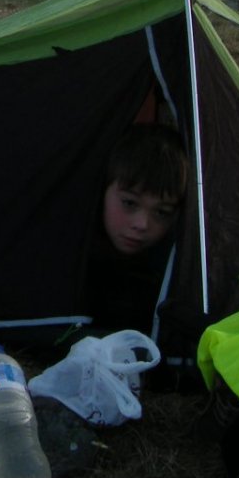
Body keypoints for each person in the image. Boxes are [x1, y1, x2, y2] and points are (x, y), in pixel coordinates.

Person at [86, 123, 191, 334]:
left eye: (161, 212)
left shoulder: (177, 270)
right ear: (103, 191)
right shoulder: (75, 250)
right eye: (129, 203)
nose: (142, 224)